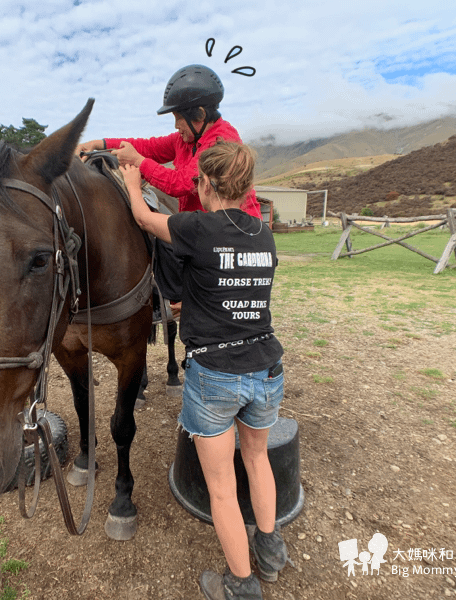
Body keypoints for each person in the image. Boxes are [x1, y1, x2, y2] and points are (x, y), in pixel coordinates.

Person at [119, 141, 288, 600]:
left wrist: (134, 182)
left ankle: (241, 584)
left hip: (217, 372)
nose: (194, 186)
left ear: (209, 184)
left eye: (197, 181)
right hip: (268, 365)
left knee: (221, 487)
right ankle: (270, 552)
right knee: (257, 459)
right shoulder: (263, 233)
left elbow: (143, 220)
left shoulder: (197, 227)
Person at [78, 64, 262, 308]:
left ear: (199, 114)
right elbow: (148, 146)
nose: (176, 126)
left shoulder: (221, 142)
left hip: (231, 233)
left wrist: (139, 164)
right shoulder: (185, 139)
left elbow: (183, 183)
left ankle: (189, 304)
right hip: (203, 229)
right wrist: (99, 143)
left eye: (178, 118)